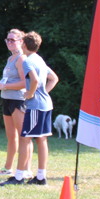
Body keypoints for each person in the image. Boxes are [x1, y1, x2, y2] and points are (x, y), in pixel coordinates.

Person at [15, 31, 59, 186]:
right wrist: (43, 92)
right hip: (46, 105)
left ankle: (18, 177)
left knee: (25, 139)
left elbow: (33, 80)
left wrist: (30, 94)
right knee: (42, 139)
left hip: (35, 106)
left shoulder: (27, 61)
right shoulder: (39, 59)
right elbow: (54, 78)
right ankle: (41, 177)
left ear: (24, 44)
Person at [0, 29, 27, 178]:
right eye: (7, 40)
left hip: (18, 100)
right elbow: (9, 80)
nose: (9, 42)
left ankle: (24, 170)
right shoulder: (10, 58)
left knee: (23, 137)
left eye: (13, 40)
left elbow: (25, 83)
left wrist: (4, 86)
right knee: (11, 137)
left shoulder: (21, 59)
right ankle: (7, 168)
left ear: (21, 42)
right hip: (7, 99)